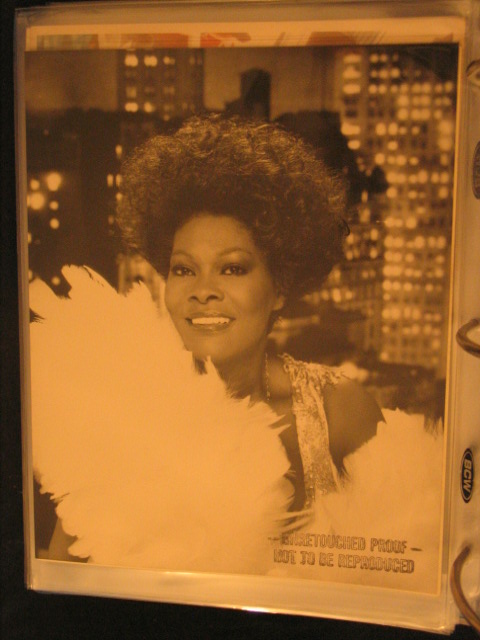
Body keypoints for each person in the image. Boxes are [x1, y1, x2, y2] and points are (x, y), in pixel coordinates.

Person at [115, 114, 383, 513]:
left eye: (232, 268)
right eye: (184, 269)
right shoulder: (122, 420)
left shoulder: (341, 412)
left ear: (280, 288)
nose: (202, 290)